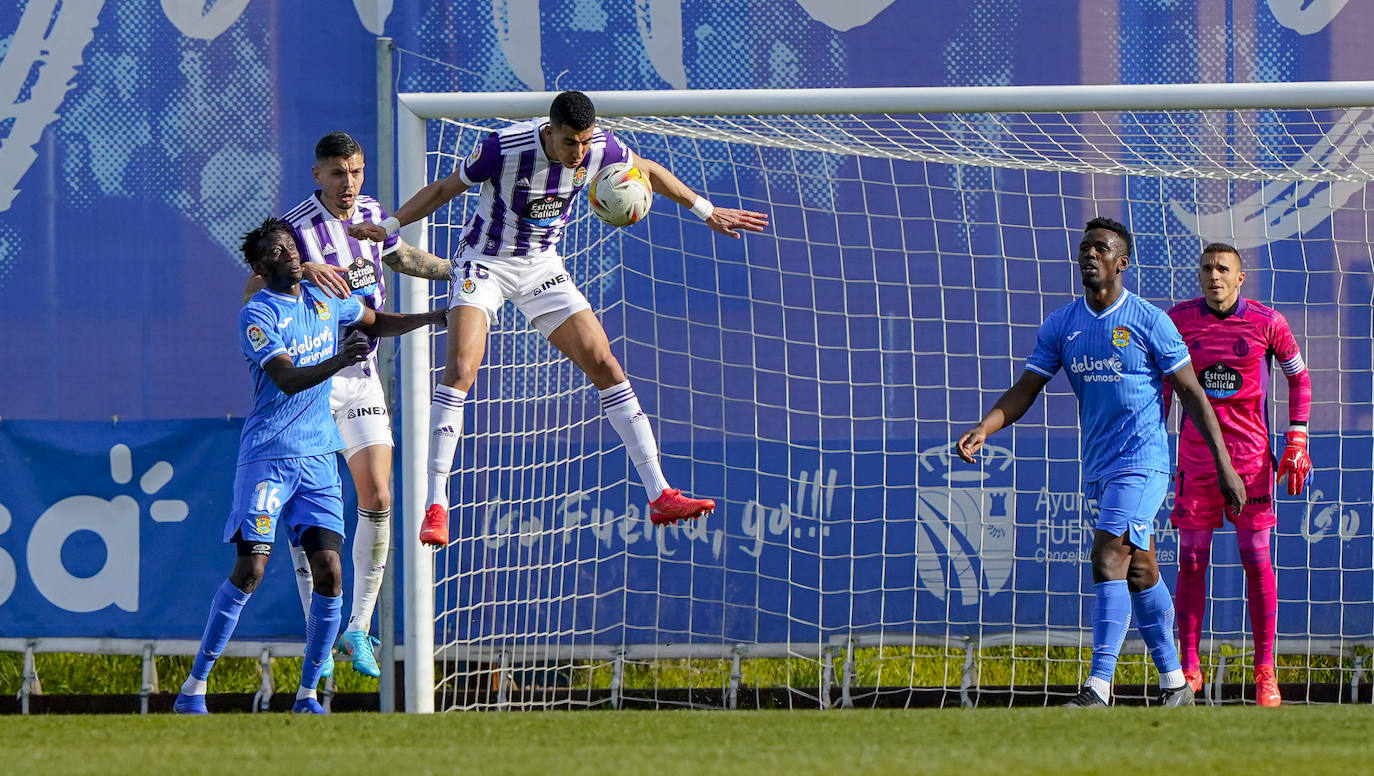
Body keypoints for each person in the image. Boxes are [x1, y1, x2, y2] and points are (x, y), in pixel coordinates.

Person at [350, 90, 769, 546]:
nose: (580, 153)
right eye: (571, 143)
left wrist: (706, 211)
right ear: (550, 131)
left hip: (542, 267)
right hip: (484, 263)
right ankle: (436, 504)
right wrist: (389, 227)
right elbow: (442, 190)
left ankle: (659, 492)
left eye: (586, 142)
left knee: (605, 363)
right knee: (462, 368)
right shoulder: (503, 148)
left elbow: (647, 171)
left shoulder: (603, 149)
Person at [955, 217, 1245, 708]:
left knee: (1108, 553)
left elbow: (1194, 394)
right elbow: (1028, 388)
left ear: (1121, 262)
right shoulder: (1063, 324)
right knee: (1141, 570)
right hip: (1099, 467)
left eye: (1101, 248)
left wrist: (1225, 466)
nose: (1089, 255)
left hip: (1145, 463)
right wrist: (987, 426)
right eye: (1085, 247)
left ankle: (1099, 686)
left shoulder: (1150, 321)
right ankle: (1175, 681)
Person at [176, 217, 444, 714]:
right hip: (269, 459)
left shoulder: (324, 300)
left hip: (320, 459)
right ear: (259, 267)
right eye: (277, 252)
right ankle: (194, 687)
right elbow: (286, 379)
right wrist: (342, 360)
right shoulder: (257, 314)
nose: (290, 254)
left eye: (291, 246)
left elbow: (373, 321)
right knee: (251, 570)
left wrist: (431, 319)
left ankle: (307, 697)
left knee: (329, 571)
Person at [244, 132, 453, 678]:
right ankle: (323, 628)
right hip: (313, 384)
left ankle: (357, 627)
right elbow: (249, 292)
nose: (349, 183)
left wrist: (458, 272)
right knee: (308, 515)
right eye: (338, 173)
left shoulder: (373, 216)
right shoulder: (292, 231)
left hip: (361, 375)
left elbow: (401, 256)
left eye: (356, 172)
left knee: (380, 494)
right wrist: (300, 270)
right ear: (317, 175)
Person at [1164, 243, 1311, 707]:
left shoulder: (1269, 322)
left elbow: (1300, 379)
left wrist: (1297, 440)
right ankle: (1189, 666)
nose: (1214, 276)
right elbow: (1163, 384)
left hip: (1251, 464)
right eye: (1206, 268)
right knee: (1190, 561)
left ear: (1240, 277)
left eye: (1223, 269)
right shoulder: (1178, 320)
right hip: (1196, 459)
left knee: (1256, 558)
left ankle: (1265, 670)